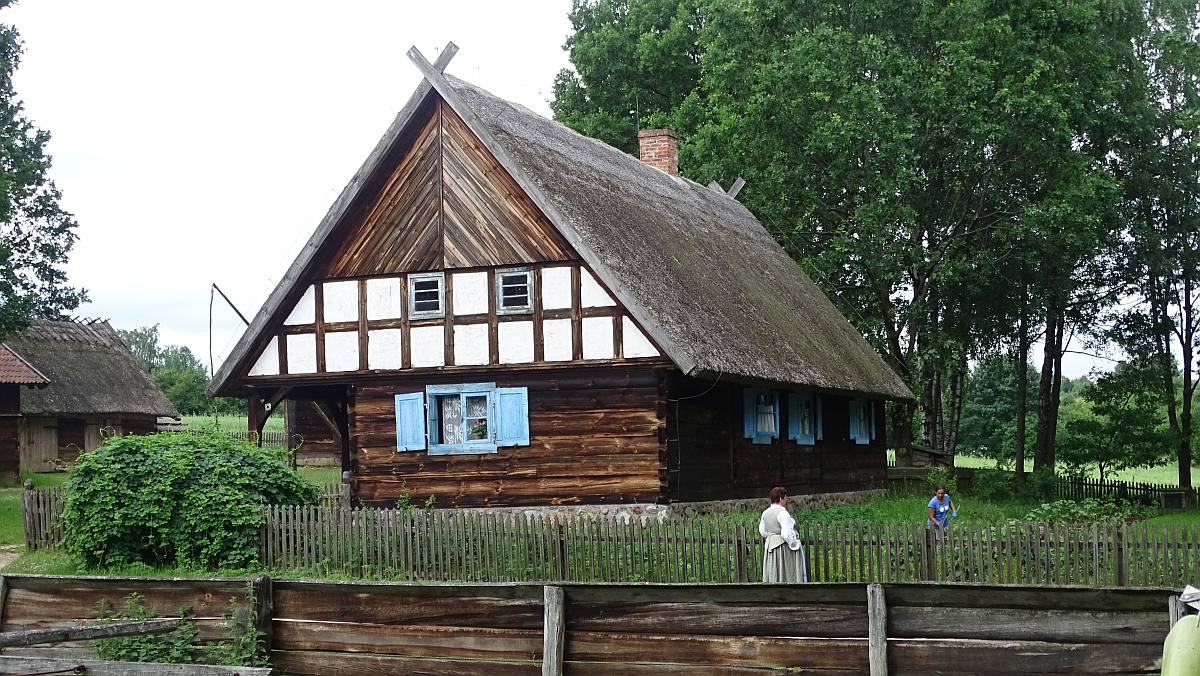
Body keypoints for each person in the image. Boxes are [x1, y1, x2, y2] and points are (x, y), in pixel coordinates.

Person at [758, 486, 807, 583]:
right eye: (785, 498)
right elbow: (786, 534)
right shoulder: (783, 514)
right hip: (783, 548)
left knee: (774, 571)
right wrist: (795, 545)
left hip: (771, 547)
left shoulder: (765, 513)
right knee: (786, 571)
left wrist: (772, 537)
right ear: (781, 498)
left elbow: (763, 531)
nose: (786, 500)